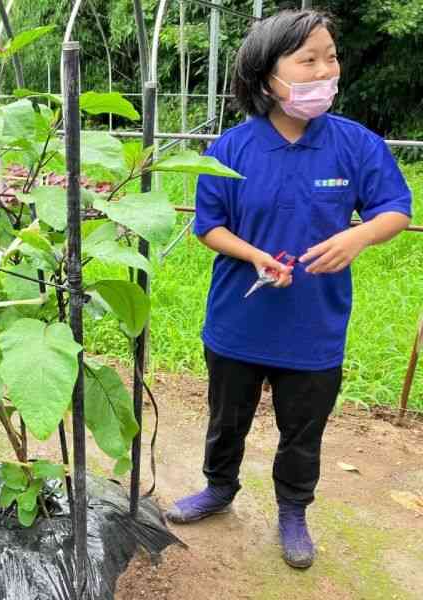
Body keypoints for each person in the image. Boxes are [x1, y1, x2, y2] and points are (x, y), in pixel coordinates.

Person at [165, 10, 412, 570]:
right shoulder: (230, 149)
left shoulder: (356, 145)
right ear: (266, 74)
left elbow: (395, 208)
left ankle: (293, 510)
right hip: (238, 321)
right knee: (227, 418)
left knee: (303, 428)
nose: (326, 70)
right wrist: (252, 254)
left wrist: (359, 237)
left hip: (313, 325)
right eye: (308, 60)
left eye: (330, 57)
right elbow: (209, 225)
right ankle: (218, 488)